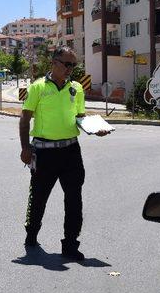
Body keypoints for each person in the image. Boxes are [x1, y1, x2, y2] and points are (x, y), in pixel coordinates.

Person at [19, 46, 109, 260]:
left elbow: (80, 117)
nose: (70, 69)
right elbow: (24, 119)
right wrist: (25, 147)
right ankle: (31, 234)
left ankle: (70, 244)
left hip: (71, 152)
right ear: (54, 62)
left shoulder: (76, 88)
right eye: (67, 64)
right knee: (39, 198)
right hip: (43, 153)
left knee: (74, 199)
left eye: (73, 65)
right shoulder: (38, 87)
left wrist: (95, 129)